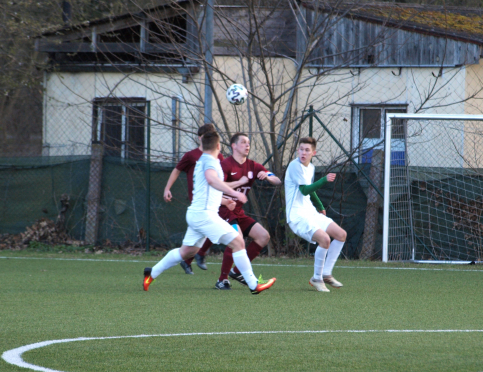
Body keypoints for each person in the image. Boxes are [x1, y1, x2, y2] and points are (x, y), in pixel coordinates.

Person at [143, 131, 276, 295]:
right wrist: (235, 193)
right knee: (238, 242)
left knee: (187, 252)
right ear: (219, 146)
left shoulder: (202, 160)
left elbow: (206, 190)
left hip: (196, 213)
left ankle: (152, 273)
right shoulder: (210, 162)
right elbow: (212, 180)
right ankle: (253, 284)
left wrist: (224, 201)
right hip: (205, 215)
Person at [163, 123, 234, 274]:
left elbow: (217, 178)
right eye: (203, 137)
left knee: (202, 233)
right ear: (199, 138)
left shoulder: (217, 157)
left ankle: (191, 258)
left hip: (212, 200)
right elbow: (177, 170)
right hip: (199, 201)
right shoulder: (192, 155)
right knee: (215, 229)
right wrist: (167, 188)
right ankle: (199, 255)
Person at [214, 132, 282, 290]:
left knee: (263, 237)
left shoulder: (253, 166)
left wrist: (267, 177)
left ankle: (236, 272)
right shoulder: (226, 165)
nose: (247, 145)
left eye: (248, 143)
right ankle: (222, 280)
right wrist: (239, 182)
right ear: (234, 146)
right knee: (237, 241)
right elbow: (216, 185)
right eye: (243, 142)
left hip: (238, 212)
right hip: (223, 209)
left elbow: (277, 180)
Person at [284, 137, 347, 292]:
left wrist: (319, 206)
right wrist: (324, 180)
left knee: (341, 234)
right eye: (301, 149)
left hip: (310, 212)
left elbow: (309, 190)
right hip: (297, 216)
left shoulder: (310, 167)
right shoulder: (294, 166)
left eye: (307, 150)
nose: (303, 152)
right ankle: (317, 278)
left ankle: (326, 274)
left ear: (313, 153)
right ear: (297, 150)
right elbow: (304, 190)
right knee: (324, 239)